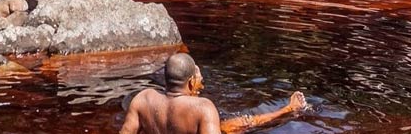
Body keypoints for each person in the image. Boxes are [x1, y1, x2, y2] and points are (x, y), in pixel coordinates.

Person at [118, 53, 306, 134]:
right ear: (191, 82)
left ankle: (286, 109)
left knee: (235, 125)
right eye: (199, 78)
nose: (203, 82)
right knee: (235, 126)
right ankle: (288, 109)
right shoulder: (202, 108)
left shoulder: (142, 99)